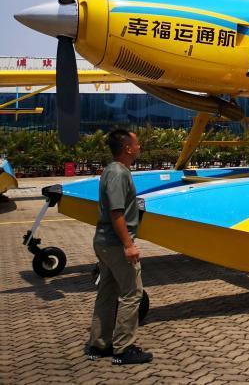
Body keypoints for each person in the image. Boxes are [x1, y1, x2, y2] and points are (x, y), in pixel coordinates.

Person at [85, 129, 153, 365]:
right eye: (137, 144)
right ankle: (123, 348)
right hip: (115, 244)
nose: (139, 147)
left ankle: (99, 344)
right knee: (132, 293)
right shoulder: (118, 173)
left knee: (107, 292)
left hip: (105, 243)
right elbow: (117, 212)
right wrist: (128, 245)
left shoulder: (113, 170)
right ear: (127, 148)